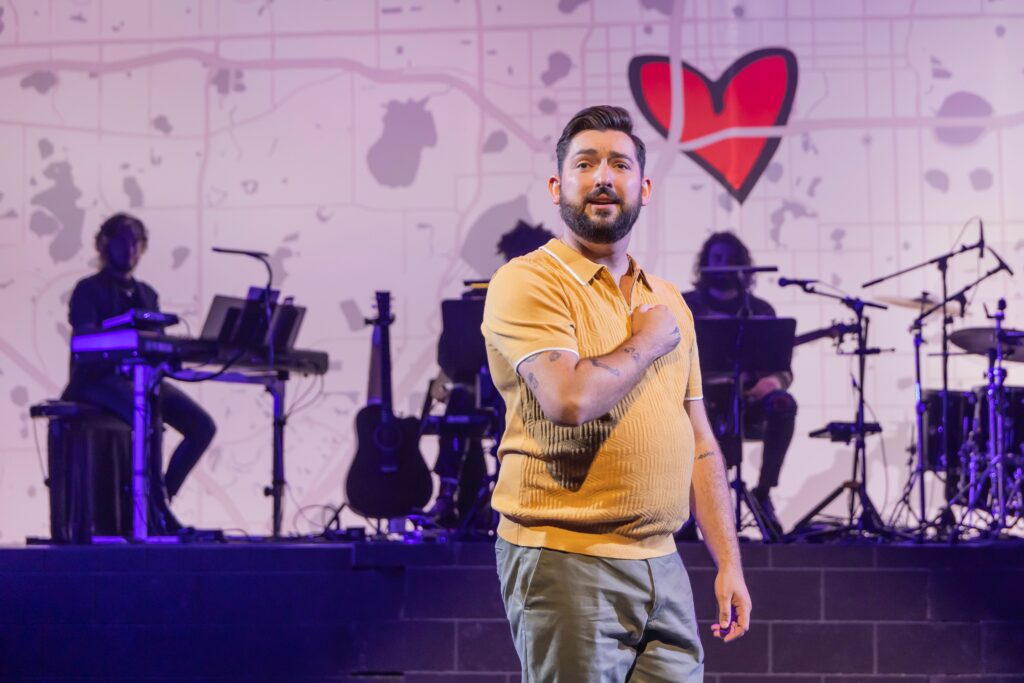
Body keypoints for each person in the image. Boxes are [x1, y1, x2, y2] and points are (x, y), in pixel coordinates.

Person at [482, 106, 751, 681]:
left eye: (619, 165)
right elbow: (568, 400)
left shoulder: (670, 300)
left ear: (643, 188)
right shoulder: (529, 281)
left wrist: (728, 561)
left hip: (664, 565)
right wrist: (648, 342)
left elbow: (699, 439)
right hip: (566, 559)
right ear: (558, 186)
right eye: (586, 163)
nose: (603, 177)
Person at [61, 213, 216, 531]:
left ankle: (159, 503)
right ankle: (155, 514)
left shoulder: (147, 293)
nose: (131, 248)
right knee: (149, 421)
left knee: (202, 426)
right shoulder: (88, 289)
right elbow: (83, 341)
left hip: (141, 380)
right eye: (124, 240)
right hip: (97, 380)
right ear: (104, 243)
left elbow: (156, 345)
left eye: (137, 242)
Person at [681, 232, 797, 535]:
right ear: (705, 264)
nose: (724, 266)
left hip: (750, 400)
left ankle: (764, 491)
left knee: (785, 404)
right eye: (717, 259)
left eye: (731, 260)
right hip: (700, 399)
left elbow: (783, 368)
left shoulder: (761, 309)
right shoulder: (686, 304)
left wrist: (772, 382)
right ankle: (690, 507)